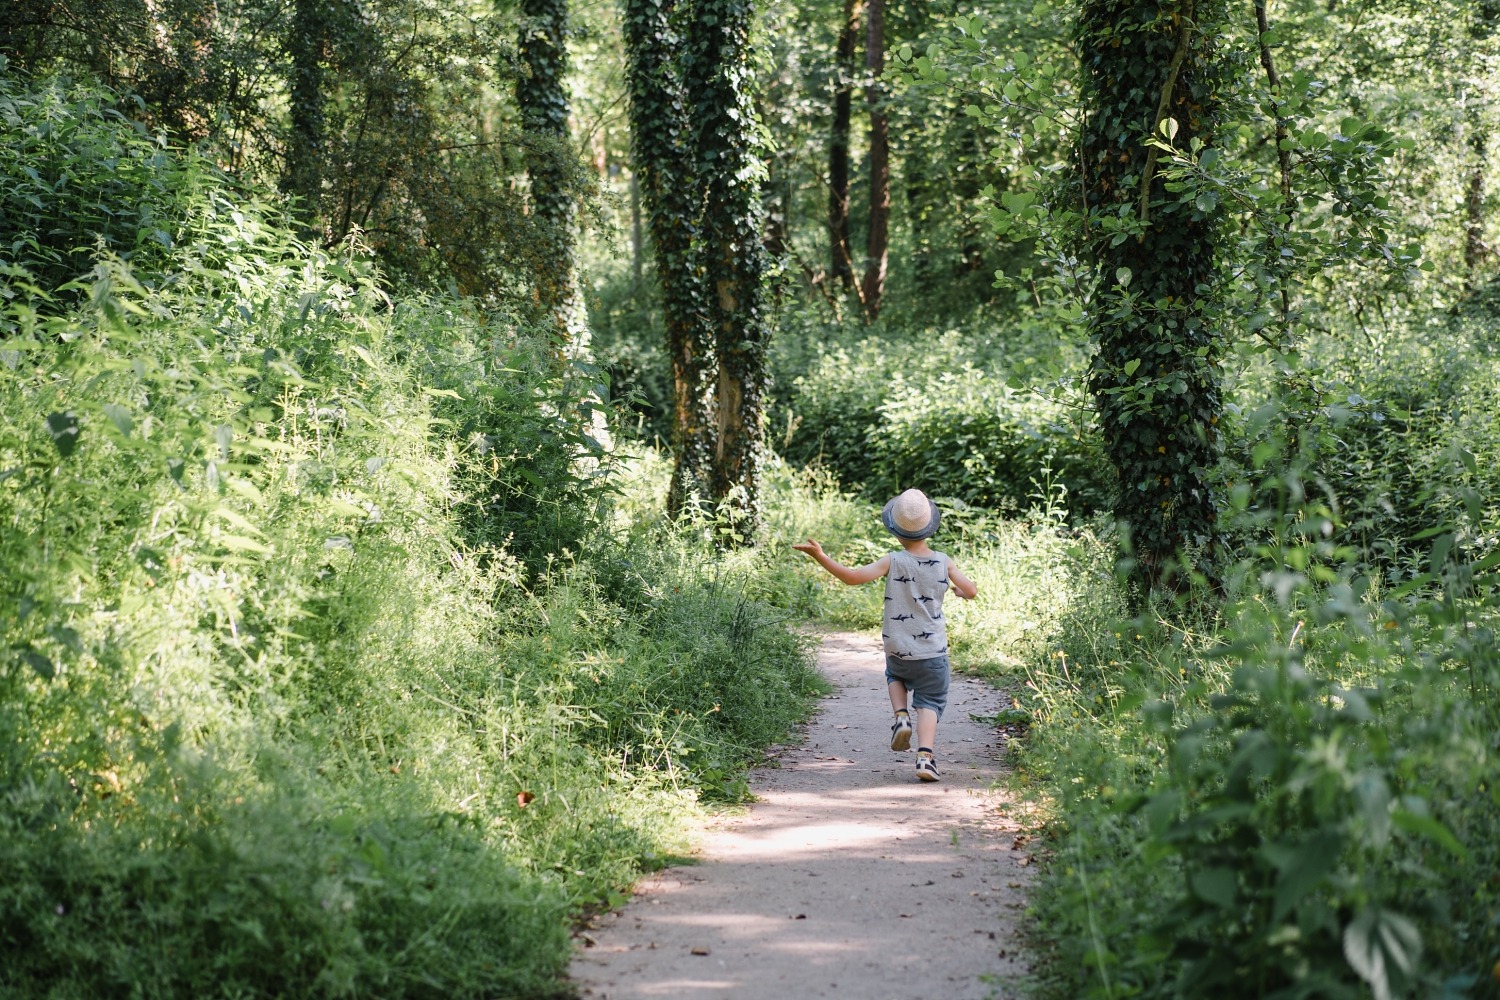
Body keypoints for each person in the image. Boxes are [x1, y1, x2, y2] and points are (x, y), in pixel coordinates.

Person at [793, 488, 978, 782]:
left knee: (895, 676)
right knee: (930, 701)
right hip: (932, 650)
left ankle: (901, 715)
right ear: (929, 527)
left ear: (895, 529)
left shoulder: (892, 560)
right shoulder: (944, 562)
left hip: (897, 645)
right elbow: (971, 590)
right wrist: (957, 591)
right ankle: (925, 759)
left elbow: (852, 577)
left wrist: (821, 557)